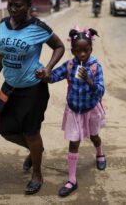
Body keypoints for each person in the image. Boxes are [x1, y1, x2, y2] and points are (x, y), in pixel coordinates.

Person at [0, 0, 65, 195]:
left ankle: (37, 174)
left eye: (18, 5)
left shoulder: (38, 27)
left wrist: (48, 68)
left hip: (32, 90)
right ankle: (36, 150)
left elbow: (60, 46)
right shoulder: (2, 24)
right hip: (9, 88)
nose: (13, 9)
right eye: (10, 4)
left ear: (29, 5)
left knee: (31, 131)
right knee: (4, 129)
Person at [46, 27, 106, 197]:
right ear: (72, 51)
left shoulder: (95, 67)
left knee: (94, 137)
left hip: (90, 109)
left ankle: (100, 153)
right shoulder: (70, 65)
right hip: (74, 110)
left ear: (90, 50)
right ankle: (72, 179)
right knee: (74, 142)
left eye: (85, 51)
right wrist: (45, 75)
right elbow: (53, 76)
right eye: (78, 51)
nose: (82, 55)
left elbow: (101, 91)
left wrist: (89, 81)